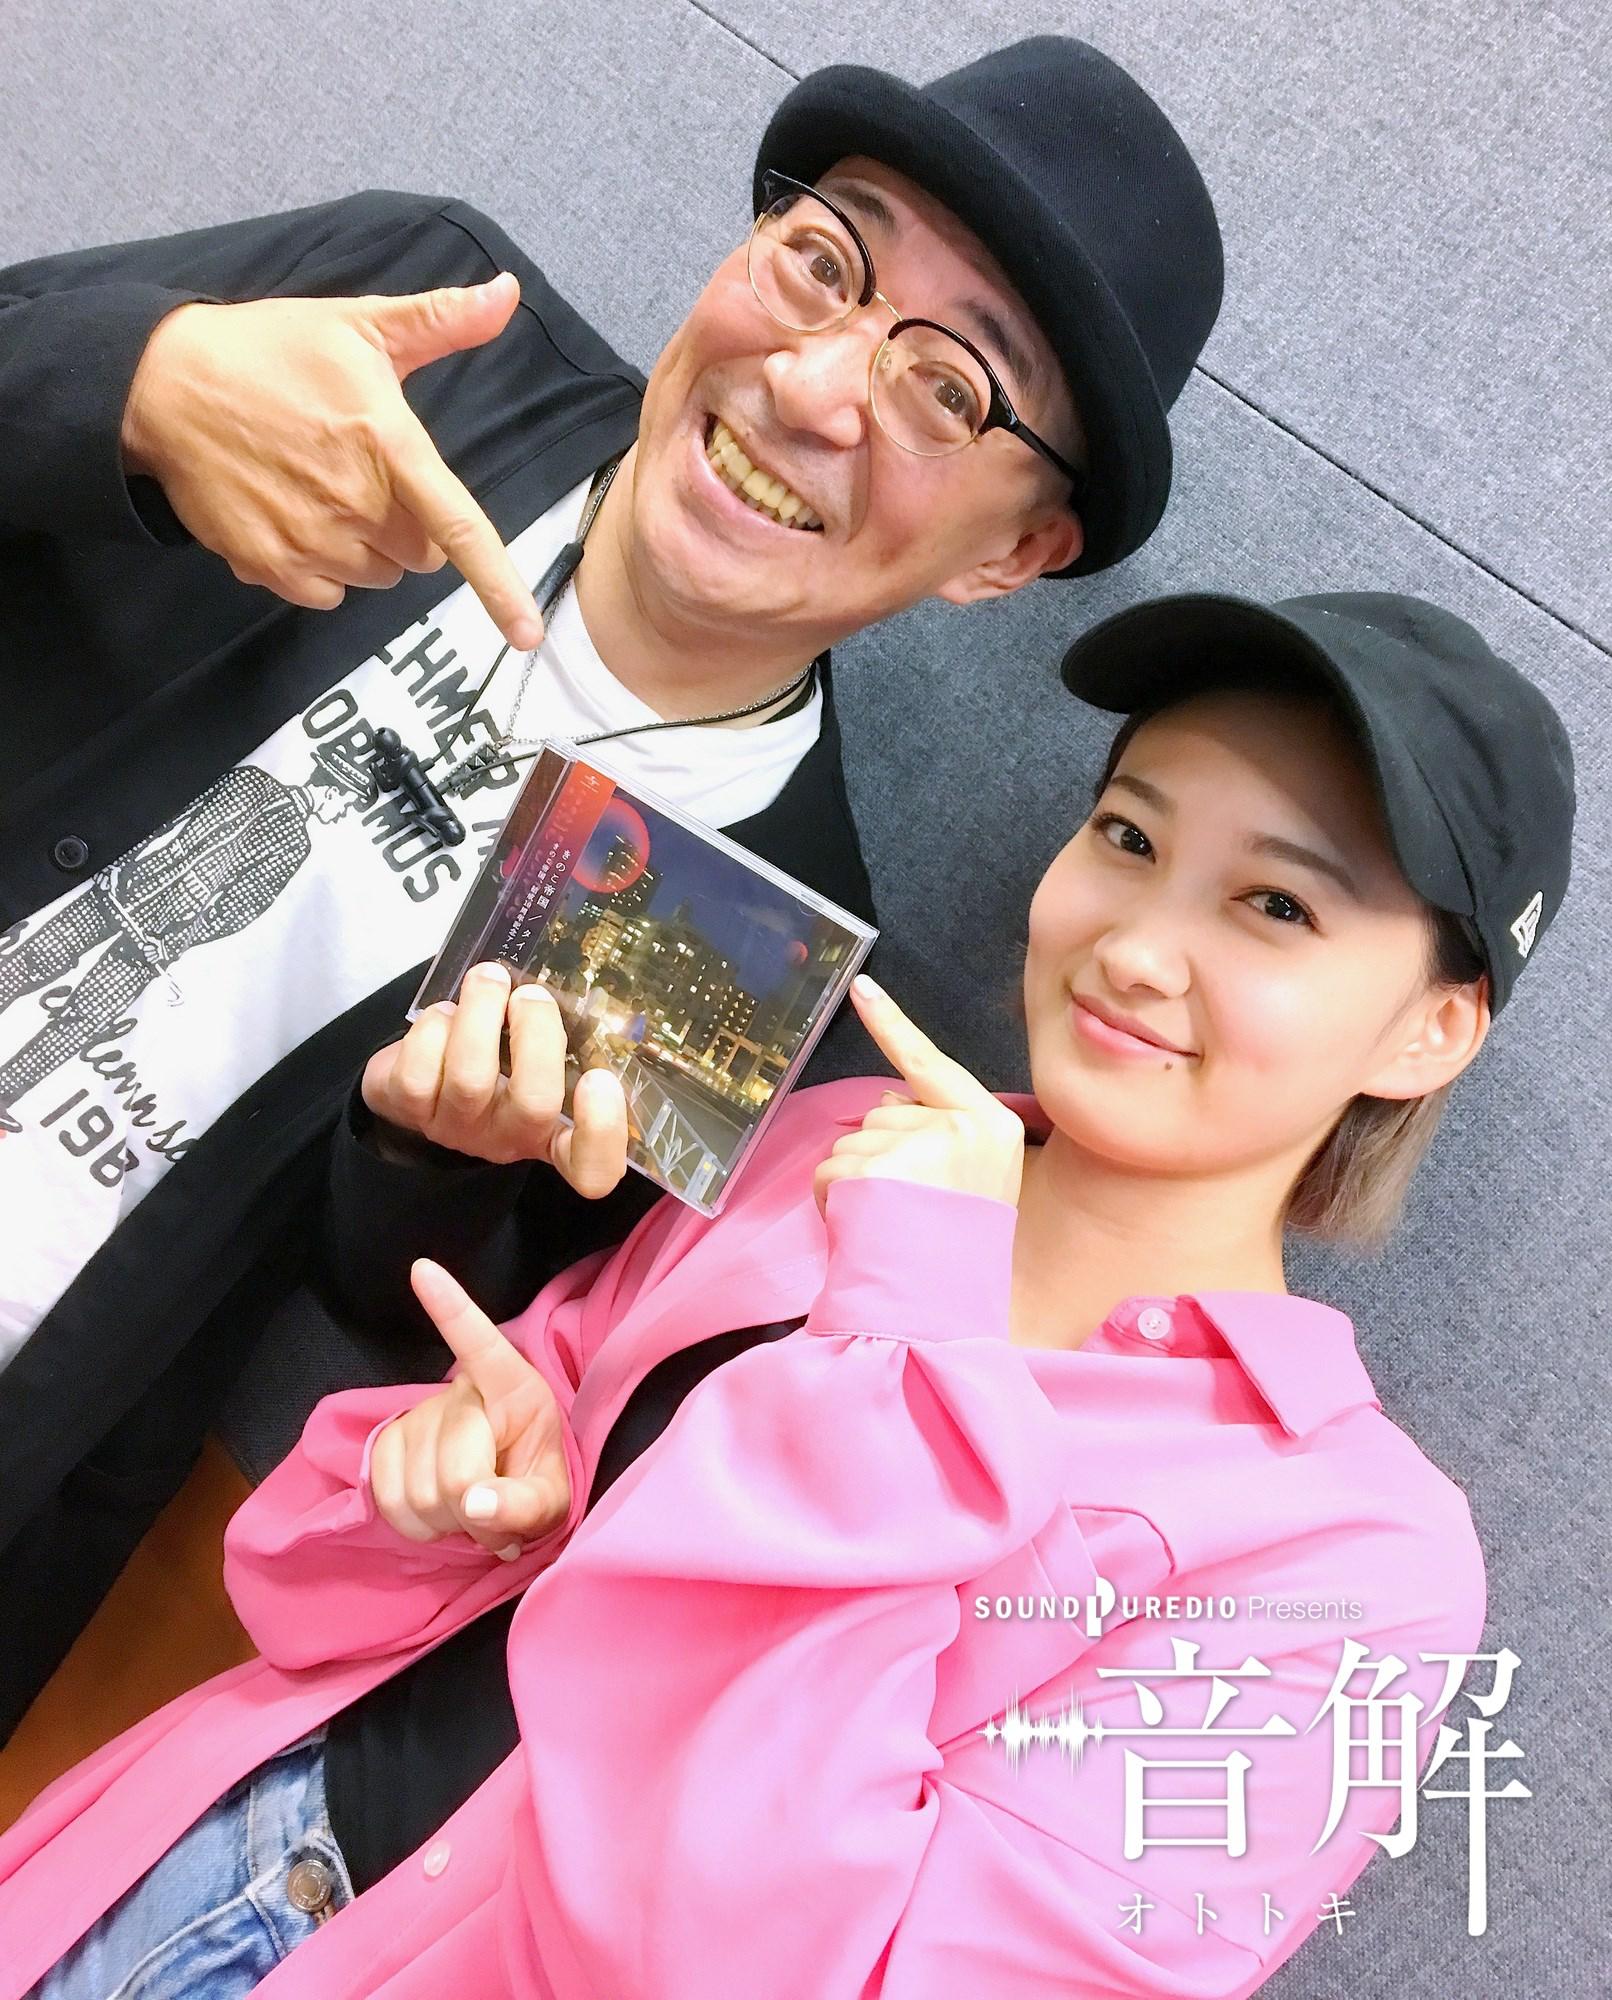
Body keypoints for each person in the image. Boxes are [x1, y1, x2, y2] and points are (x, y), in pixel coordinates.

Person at [0, 588, 1574, 1997]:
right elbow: (321, 1585)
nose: (1140, 947)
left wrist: (909, 1335)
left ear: (1429, 1029)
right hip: (178, 1852)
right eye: (1130, 837)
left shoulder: (1360, 1560)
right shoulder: (835, 1139)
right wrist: (449, 1501)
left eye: (1279, 906)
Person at [0, 36, 1226, 1730]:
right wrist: (137, 385)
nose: (815, 385)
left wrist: (426, 1155)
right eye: (826, 260)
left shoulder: (755, 924)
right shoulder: (426, 338)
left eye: (949, 391)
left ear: (1014, 553)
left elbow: (390, 1300)